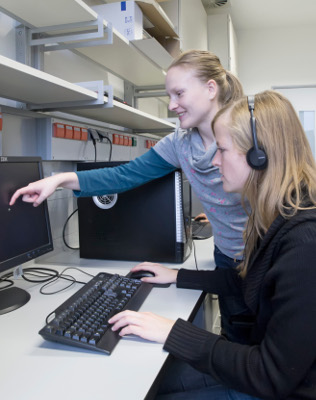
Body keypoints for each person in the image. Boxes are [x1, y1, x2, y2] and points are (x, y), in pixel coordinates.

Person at [10, 50, 248, 343]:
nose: (172, 105)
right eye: (168, 95)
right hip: (226, 257)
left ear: (210, 88)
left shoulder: (249, 137)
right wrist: (60, 179)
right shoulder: (179, 145)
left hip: (269, 256)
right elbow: (123, 176)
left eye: (179, 93)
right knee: (237, 334)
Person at [108, 90, 316, 399]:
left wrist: (172, 331)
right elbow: (249, 280)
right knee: (147, 375)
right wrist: (176, 276)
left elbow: (271, 375)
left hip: (280, 389)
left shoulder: (305, 242)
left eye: (221, 149)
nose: (214, 162)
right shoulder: (280, 213)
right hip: (267, 368)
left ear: (259, 156)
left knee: (148, 388)